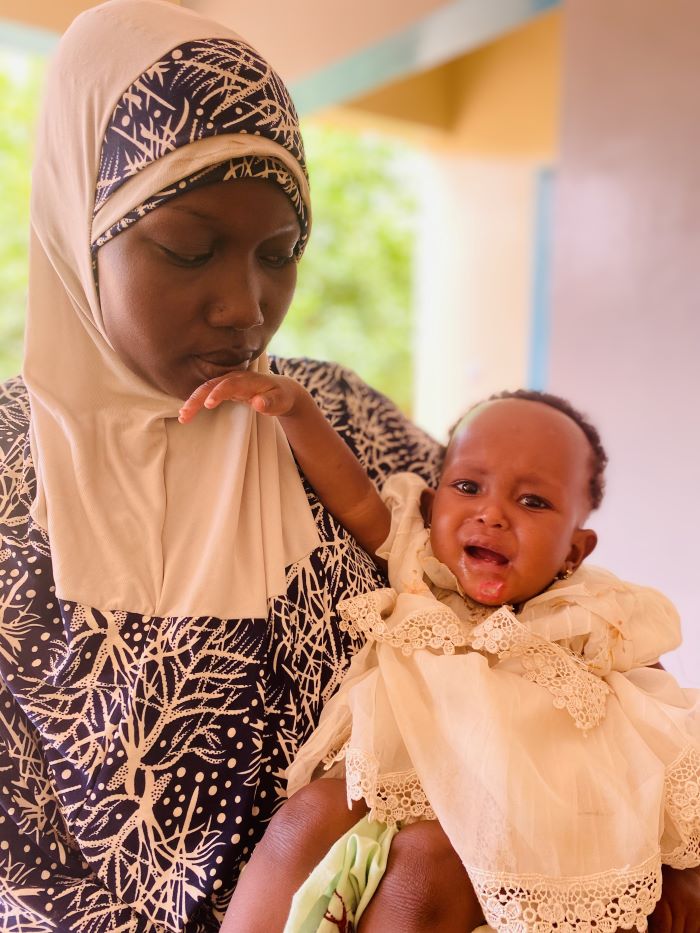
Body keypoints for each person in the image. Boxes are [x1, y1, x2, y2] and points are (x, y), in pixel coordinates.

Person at [0, 2, 447, 929]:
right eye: (188, 249)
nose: (244, 307)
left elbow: (547, 626)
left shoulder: (350, 428)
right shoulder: (10, 471)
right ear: (80, 225)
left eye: (280, 256)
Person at [179, 371, 700, 932]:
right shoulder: (416, 561)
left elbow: (670, 729)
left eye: (532, 501)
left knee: (423, 874)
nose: (492, 514)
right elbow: (350, 491)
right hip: (391, 786)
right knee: (301, 819)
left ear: (575, 549)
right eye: (469, 487)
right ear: (430, 504)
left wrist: (686, 864)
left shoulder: (596, 610)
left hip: (526, 827)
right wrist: (296, 410)